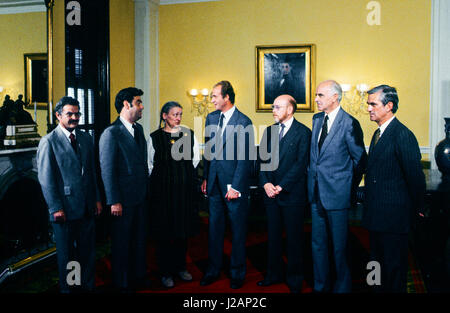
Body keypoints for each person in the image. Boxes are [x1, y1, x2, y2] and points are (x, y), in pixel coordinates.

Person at [362, 85, 425, 292]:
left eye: (373, 104)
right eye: (368, 104)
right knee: (375, 266)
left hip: (394, 218)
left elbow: (415, 178)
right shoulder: (378, 134)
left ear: (389, 106)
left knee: (393, 269)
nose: (369, 108)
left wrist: (419, 208)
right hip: (376, 216)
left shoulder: (403, 135)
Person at [36, 96, 102, 293]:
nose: (74, 117)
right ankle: (71, 290)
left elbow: (92, 172)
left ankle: (88, 288)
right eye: (69, 114)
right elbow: (46, 179)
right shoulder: (48, 141)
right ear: (58, 115)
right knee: (69, 257)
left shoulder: (85, 138)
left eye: (77, 113)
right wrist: (55, 207)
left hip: (87, 208)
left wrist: (97, 198)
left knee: (88, 253)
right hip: (64, 210)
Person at [307, 80, 366, 293]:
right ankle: (320, 286)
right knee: (318, 246)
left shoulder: (349, 123)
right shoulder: (316, 120)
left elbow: (360, 159)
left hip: (338, 196)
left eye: (320, 95)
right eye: (316, 95)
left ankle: (342, 288)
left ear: (335, 97)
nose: (316, 99)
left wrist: (347, 187)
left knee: (340, 248)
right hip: (316, 194)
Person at [200, 80, 254, 289]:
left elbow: (245, 158)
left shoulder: (244, 121)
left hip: (234, 187)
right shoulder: (211, 118)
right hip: (213, 184)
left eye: (214, 96)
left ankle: (237, 273)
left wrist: (236, 187)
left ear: (226, 97)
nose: (211, 100)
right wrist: (206, 177)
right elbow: (209, 151)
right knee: (214, 230)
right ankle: (213, 270)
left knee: (238, 232)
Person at [258, 94, 311, 293]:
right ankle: (273, 275)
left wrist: (281, 186)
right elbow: (262, 161)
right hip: (270, 194)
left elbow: (301, 164)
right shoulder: (268, 132)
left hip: (292, 196)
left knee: (294, 239)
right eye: (273, 107)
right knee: (272, 238)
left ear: (290, 109)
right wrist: (265, 184)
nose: (273, 110)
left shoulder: (304, 133)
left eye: (278, 107)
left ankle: (295, 279)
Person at [99, 87, 149, 292]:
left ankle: (138, 279)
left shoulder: (139, 130)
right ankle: (122, 284)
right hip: (122, 201)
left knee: (139, 242)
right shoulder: (111, 133)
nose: (142, 106)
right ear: (126, 105)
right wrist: (114, 201)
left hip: (140, 198)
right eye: (138, 102)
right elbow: (107, 170)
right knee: (121, 245)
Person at [147, 101, 200, 288]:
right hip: (162, 193)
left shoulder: (188, 135)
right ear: (164, 116)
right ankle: (165, 272)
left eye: (180, 114)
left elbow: (194, 160)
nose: (178, 118)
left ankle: (181, 267)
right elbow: (150, 165)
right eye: (174, 114)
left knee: (182, 231)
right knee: (164, 233)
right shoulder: (154, 138)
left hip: (183, 193)